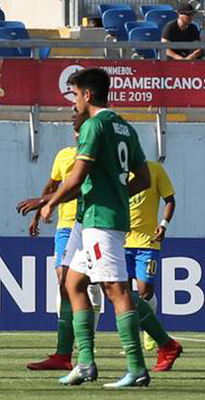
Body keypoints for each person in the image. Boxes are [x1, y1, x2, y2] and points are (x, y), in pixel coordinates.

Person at [39, 68, 181, 388]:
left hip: (101, 223)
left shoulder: (94, 125)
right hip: (100, 219)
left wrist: (49, 203)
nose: (73, 102)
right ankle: (86, 363)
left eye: (75, 94)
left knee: (116, 291)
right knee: (74, 284)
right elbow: (142, 179)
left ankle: (136, 368)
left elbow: (76, 177)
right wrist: (117, 194)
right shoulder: (124, 127)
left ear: (88, 95)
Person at [18, 111, 103, 371]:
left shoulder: (97, 154)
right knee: (65, 282)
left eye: (80, 127)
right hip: (69, 225)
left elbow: (77, 186)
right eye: (75, 129)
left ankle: (159, 344)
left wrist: (46, 202)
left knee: (109, 288)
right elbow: (53, 185)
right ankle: (65, 354)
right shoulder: (64, 155)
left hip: (96, 222)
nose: (77, 132)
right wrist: (39, 212)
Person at [125, 161, 176, 351]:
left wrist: (163, 224)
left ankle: (150, 329)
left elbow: (170, 199)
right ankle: (131, 339)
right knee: (123, 293)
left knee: (145, 292)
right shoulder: (116, 170)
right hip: (120, 240)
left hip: (147, 241)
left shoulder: (154, 170)